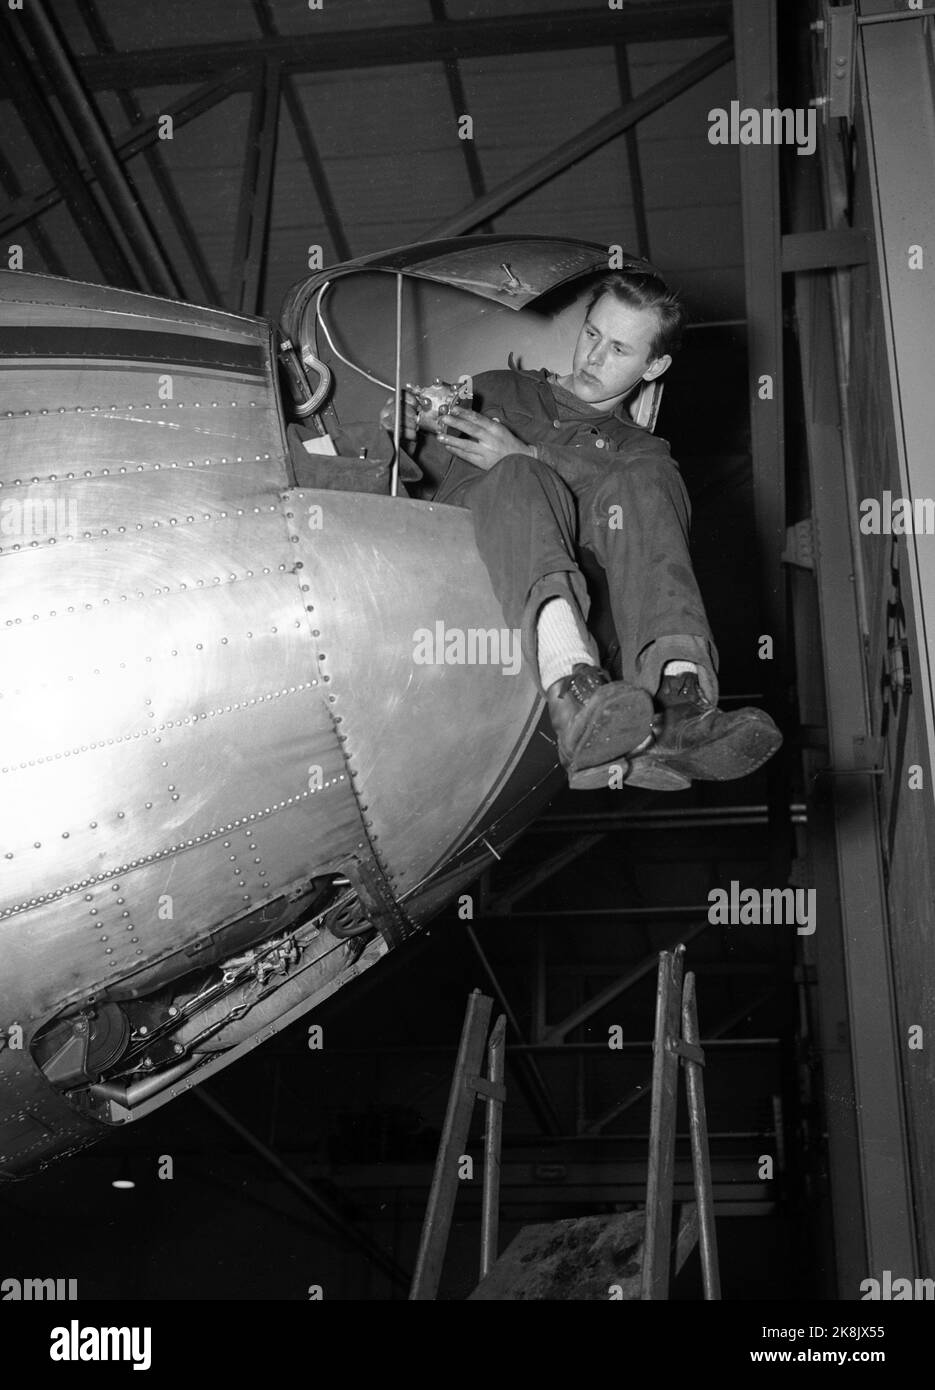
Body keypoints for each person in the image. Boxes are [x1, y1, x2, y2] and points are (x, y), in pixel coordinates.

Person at [380, 270, 781, 791]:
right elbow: (400, 477)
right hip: (458, 565)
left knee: (642, 474)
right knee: (521, 474)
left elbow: (622, 489)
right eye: (591, 334)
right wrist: (396, 430)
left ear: (654, 365)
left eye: (619, 348)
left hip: (564, 591)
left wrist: (532, 454)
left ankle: (677, 701)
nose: (593, 357)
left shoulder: (639, 455)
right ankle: (570, 683)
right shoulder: (495, 390)